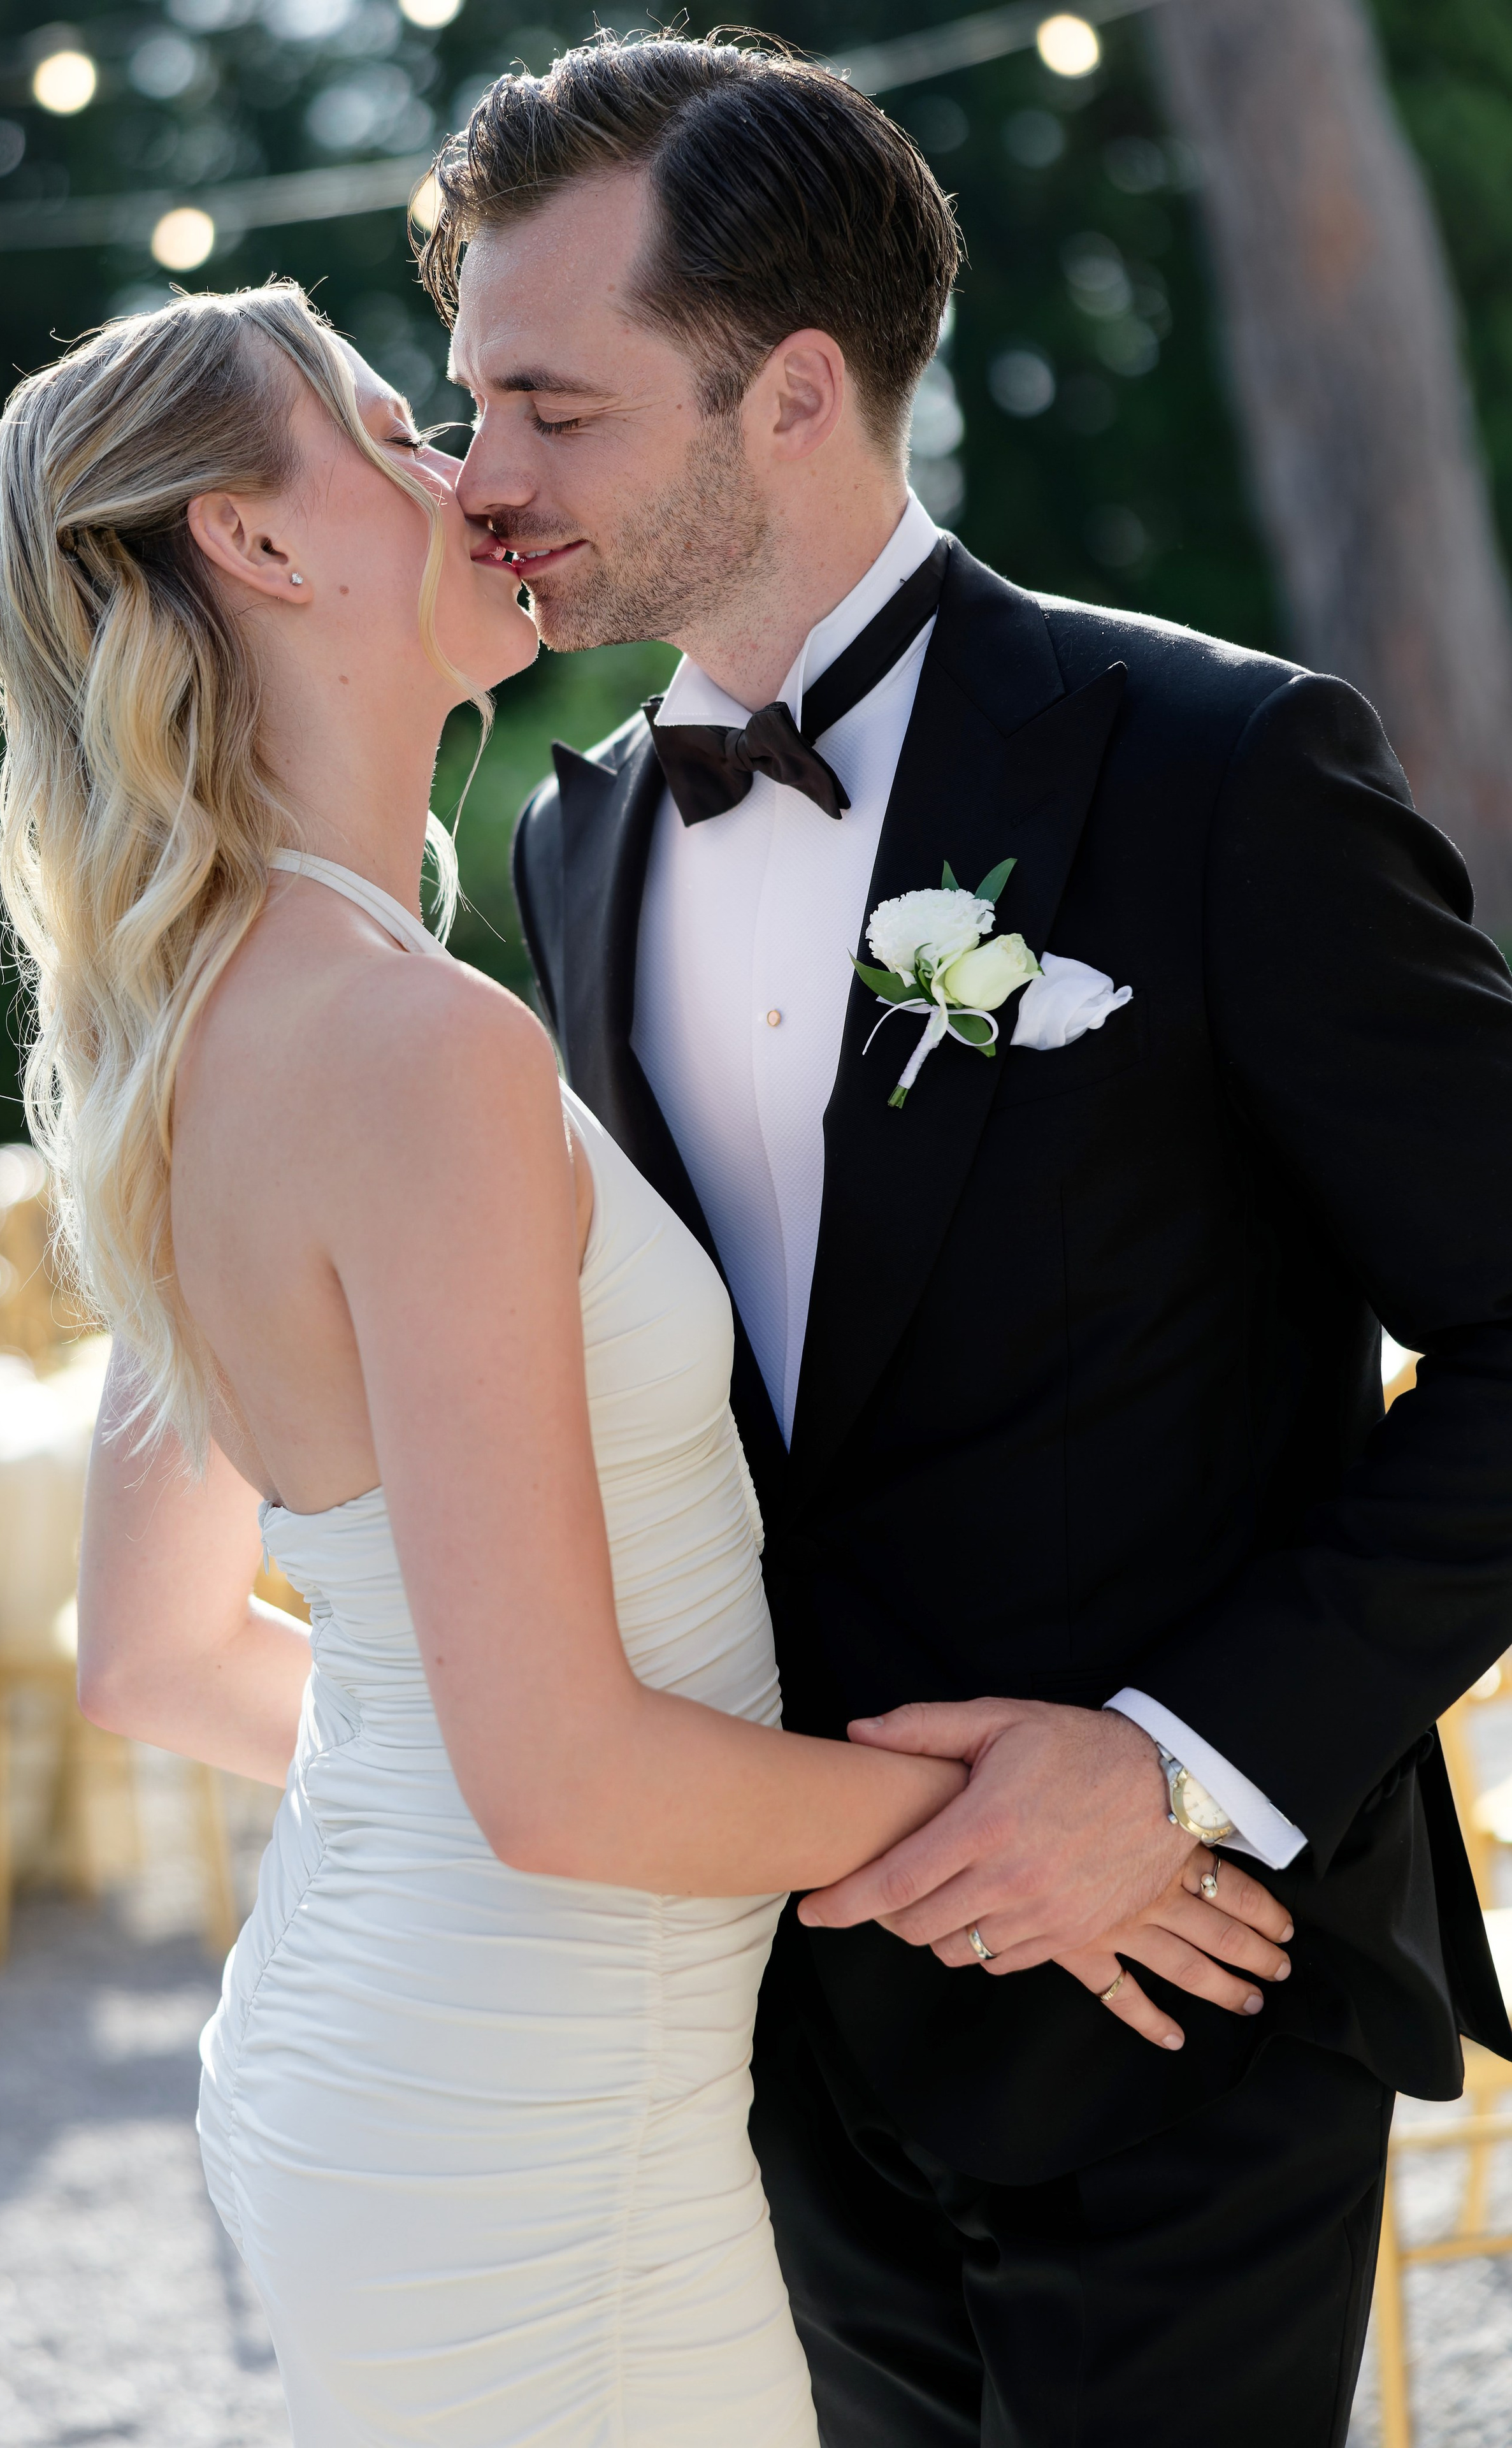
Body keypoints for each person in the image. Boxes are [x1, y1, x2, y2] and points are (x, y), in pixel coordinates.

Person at [0, 282, 1284, 2446]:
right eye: (397, 432)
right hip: (530, 2125)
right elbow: (564, 1776)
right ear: (261, 542)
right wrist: (1043, 1825)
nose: (473, 474)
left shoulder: (204, 1012)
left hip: (387, 2057)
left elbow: (156, 1656)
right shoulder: (409, 1046)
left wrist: (454, 1759)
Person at [432, 31, 1512, 2447]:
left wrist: (1180, 1758)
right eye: (464, 398)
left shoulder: (1221, 770)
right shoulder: (575, 840)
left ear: (793, 390)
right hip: (774, 2015)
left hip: (1170, 1992)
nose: (476, 479)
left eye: (552, 408)